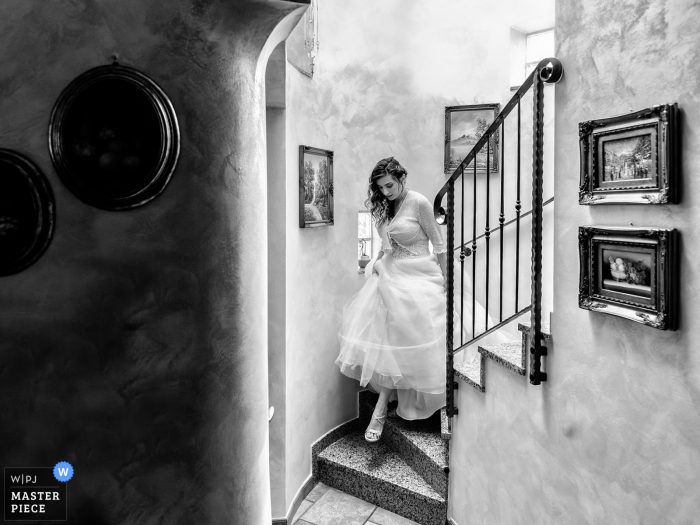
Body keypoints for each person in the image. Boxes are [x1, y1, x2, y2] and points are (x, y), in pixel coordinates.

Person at [335, 157, 449, 442]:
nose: (386, 192)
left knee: (400, 327)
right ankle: (384, 405)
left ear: (402, 178)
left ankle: (381, 409)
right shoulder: (385, 206)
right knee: (385, 330)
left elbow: (440, 245)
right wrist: (376, 261)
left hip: (421, 274)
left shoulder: (420, 202)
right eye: (381, 188)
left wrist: (448, 282)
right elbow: (387, 246)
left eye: (390, 185)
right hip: (391, 271)